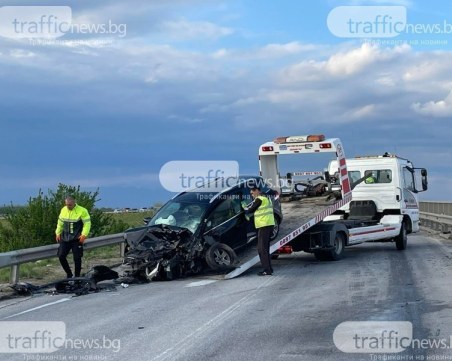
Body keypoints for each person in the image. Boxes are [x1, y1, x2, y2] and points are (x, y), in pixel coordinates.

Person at [243, 185, 275, 276]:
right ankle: (269, 269)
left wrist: (244, 207)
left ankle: (267, 270)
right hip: (269, 224)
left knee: (261, 249)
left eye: (252, 192)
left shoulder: (259, 199)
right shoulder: (266, 198)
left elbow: (250, 210)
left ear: (257, 190)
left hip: (264, 225)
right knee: (265, 248)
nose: (252, 194)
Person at [55, 196, 91, 278]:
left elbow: (87, 224)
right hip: (65, 238)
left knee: (77, 258)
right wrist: (57, 233)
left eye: (70, 205)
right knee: (61, 256)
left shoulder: (82, 210)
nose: (68, 206)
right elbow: (60, 222)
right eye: (67, 205)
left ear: (74, 202)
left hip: (77, 238)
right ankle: (69, 274)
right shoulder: (63, 210)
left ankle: (77, 277)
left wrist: (84, 235)